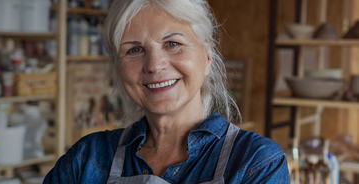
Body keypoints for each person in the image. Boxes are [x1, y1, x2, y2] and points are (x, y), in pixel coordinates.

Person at [43, 0, 290, 183]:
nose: (153, 65)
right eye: (134, 50)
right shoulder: (86, 160)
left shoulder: (255, 163)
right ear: (118, 68)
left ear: (207, 57)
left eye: (173, 44)